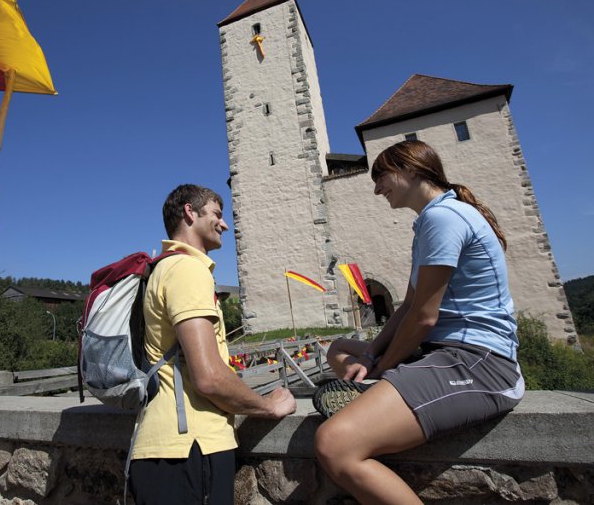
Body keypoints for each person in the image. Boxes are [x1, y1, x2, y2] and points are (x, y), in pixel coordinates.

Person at [313, 140, 525, 505]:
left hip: (480, 362)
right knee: (341, 349)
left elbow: (424, 318)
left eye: (382, 177)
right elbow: (408, 305)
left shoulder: (444, 219)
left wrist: (384, 368)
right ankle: (375, 395)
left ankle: (373, 396)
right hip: (442, 353)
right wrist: (371, 356)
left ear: (410, 169)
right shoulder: (430, 221)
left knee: (333, 443)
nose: (377, 188)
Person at [129, 184, 297, 505]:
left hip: (165, 447)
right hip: (189, 448)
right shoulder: (188, 269)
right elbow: (209, 376)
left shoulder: (162, 269)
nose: (225, 224)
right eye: (217, 214)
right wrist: (269, 406)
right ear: (190, 213)